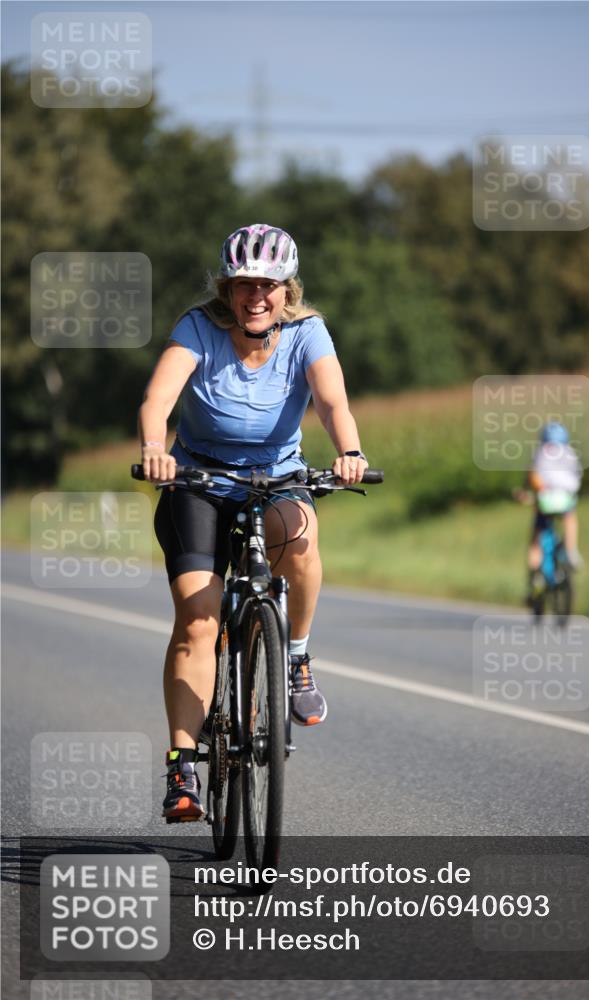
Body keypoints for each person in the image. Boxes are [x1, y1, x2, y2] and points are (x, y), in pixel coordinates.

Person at [138, 224, 368, 822]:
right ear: (227, 289)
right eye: (244, 285)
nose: (255, 296)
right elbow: (157, 399)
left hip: (275, 478)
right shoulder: (198, 328)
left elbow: (332, 402)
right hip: (199, 482)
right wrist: (154, 446)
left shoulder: (306, 333)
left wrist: (350, 452)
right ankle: (183, 769)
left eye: (267, 285)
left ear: (287, 290)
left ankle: (295, 657)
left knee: (302, 538)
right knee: (196, 622)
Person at [516, 422, 583, 601]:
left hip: (545, 500)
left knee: (536, 540)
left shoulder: (540, 453)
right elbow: (577, 477)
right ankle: (571, 550)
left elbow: (532, 477)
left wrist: (524, 495)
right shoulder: (570, 453)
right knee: (570, 518)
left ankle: (535, 578)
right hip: (566, 499)